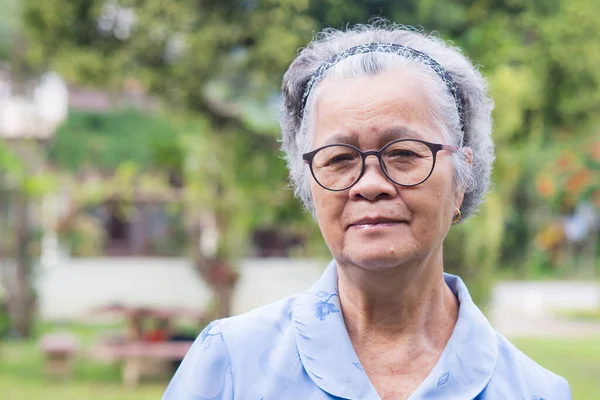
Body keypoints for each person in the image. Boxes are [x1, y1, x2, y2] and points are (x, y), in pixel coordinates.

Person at [163, 22, 571, 399]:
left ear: (461, 179)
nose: (370, 184)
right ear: (309, 185)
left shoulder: (533, 391)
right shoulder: (230, 365)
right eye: (339, 158)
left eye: (404, 153)